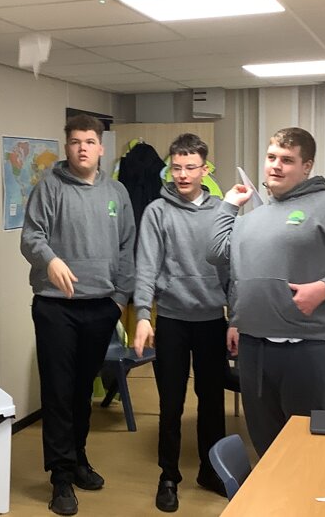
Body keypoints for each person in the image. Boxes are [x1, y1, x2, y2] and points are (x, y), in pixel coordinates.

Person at [205, 127, 325, 457]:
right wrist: (228, 205)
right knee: (265, 443)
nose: (276, 166)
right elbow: (215, 253)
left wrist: (324, 287)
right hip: (254, 348)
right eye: (271, 157)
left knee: (310, 448)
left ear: (306, 166)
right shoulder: (252, 218)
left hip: (307, 347)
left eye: (287, 160)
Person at [20, 114, 136, 516]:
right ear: (67, 146)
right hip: (56, 307)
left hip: (100, 307)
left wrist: (119, 299)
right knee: (58, 392)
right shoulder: (49, 187)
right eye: (75, 142)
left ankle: (78, 459)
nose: (82, 148)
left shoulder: (117, 192)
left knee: (83, 390)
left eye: (89, 141)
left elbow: (127, 247)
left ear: (101, 147)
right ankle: (60, 477)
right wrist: (50, 260)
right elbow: (31, 236)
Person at [132, 133, 231, 512]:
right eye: (176, 168)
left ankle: (212, 469)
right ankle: (168, 476)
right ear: (169, 169)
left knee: (212, 402)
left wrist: (236, 318)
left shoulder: (223, 211)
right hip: (172, 320)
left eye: (191, 167)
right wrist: (144, 315)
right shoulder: (157, 211)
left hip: (211, 321)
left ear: (205, 169)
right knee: (170, 405)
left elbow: (233, 270)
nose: (183, 175)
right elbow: (146, 267)